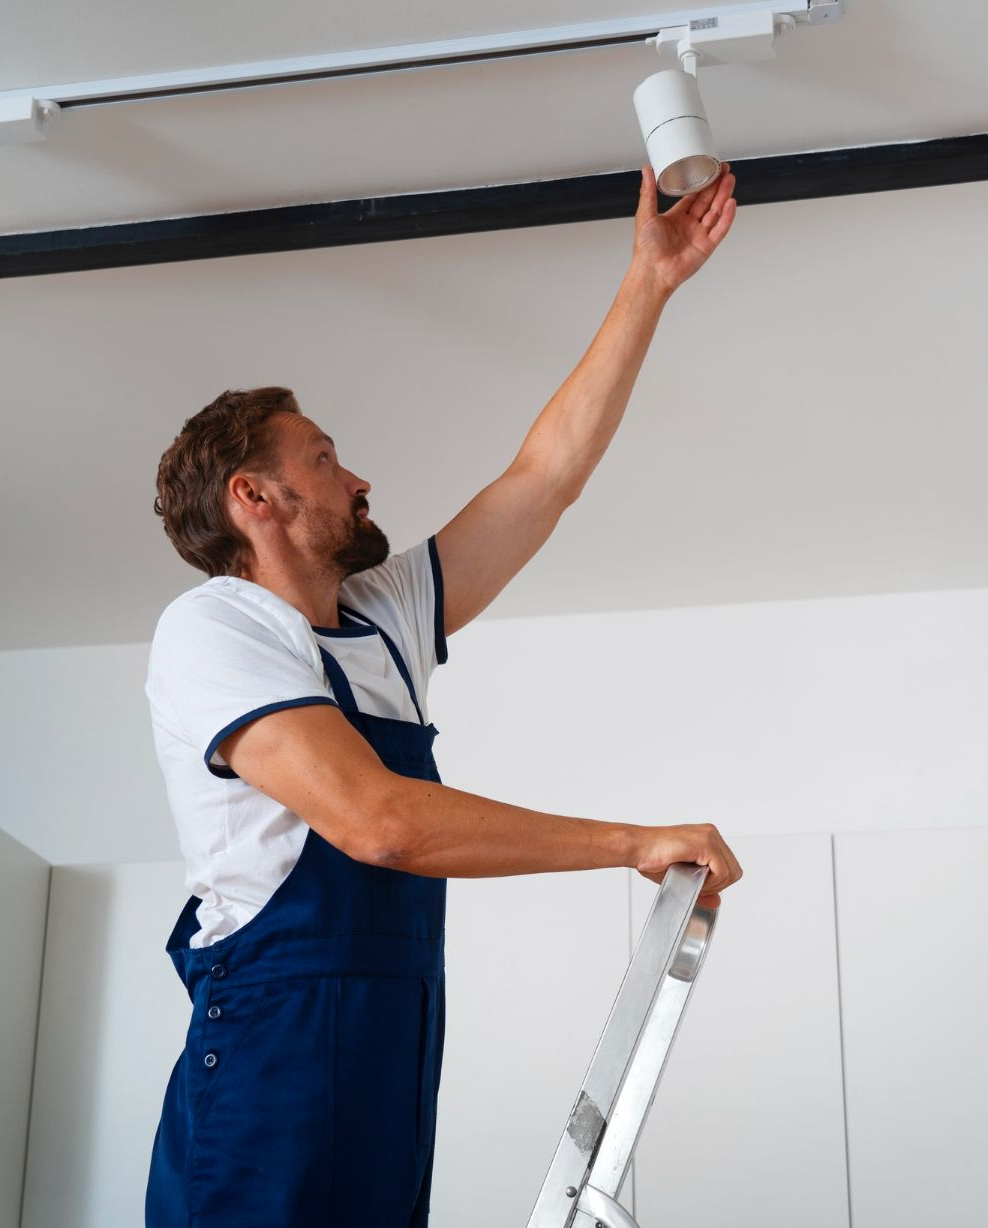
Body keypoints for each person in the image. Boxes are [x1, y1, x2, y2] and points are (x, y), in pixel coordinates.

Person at [143, 163, 743, 1228]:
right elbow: (377, 822)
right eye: (323, 459)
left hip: (387, 1043)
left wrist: (647, 285)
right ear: (256, 497)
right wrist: (628, 840)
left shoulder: (378, 617)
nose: (358, 477)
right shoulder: (216, 630)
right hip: (274, 1057)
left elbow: (542, 477)